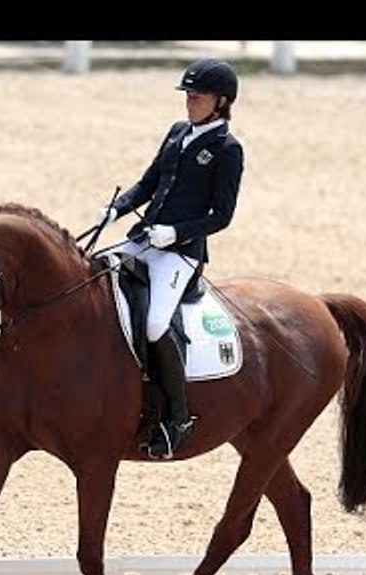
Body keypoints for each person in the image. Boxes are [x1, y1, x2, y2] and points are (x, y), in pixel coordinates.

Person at [94, 57, 244, 460]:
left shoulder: (228, 149)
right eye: (188, 95)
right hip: (143, 240)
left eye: (197, 96)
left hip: (180, 255)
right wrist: (117, 210)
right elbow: (148, 183)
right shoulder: (178, 132)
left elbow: (222, 215)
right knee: (90, 282)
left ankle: (177, 417)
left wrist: (176, 233)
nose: (189, 102)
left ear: (221, 101)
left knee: (157, 325)